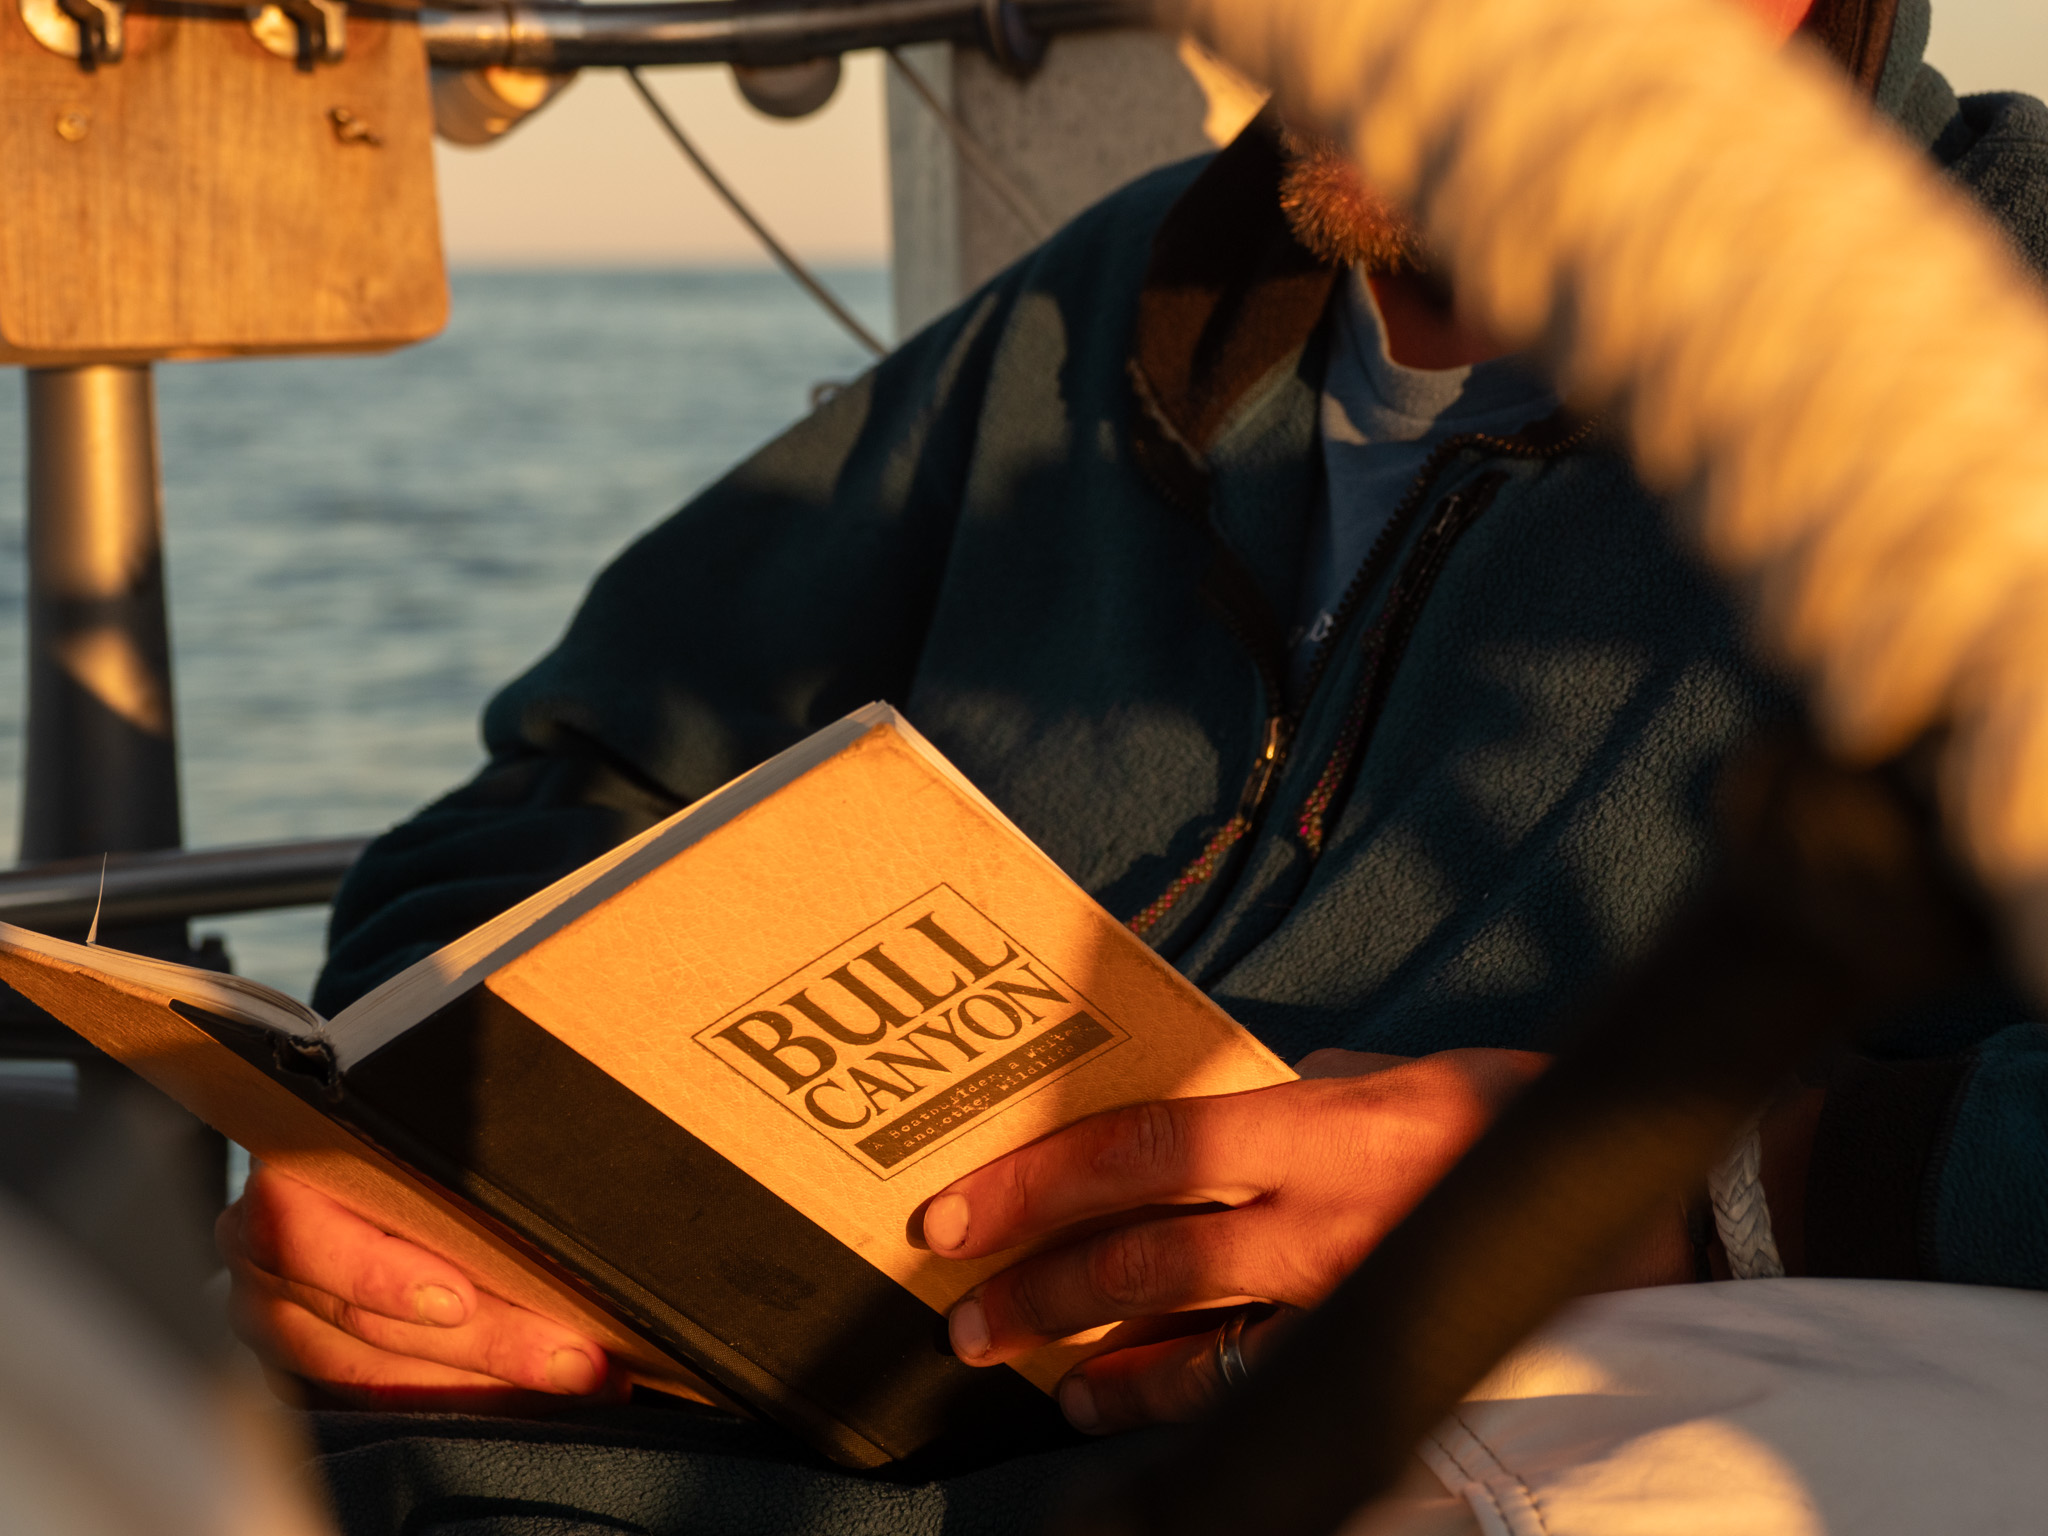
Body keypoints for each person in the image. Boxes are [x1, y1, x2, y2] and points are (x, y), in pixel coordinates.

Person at [222, 0, 2048, 1484]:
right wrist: (462, 1178)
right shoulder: (1134, 303)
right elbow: (548, 798)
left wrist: (1706, 1183)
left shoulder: (2003, 325)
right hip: (673, 1435)